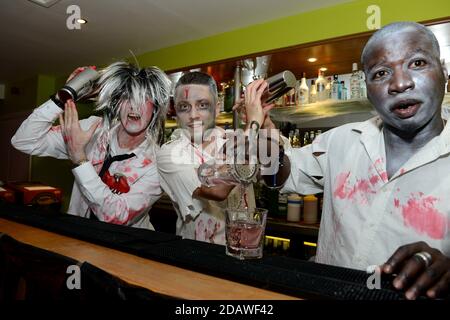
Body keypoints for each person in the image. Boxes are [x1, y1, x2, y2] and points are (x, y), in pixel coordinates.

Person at [243, 22, 449, 299]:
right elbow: (277, 175)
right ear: (367, 87)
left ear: (444, 70)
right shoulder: (340, 141)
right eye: (381, 73)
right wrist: (264, 125)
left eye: (418, 63)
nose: (400, 83)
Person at [11, 62, 171, 230]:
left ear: (155, 109)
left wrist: (79, 159)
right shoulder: (92, 129)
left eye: (145, 98)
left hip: (126, 249)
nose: (134, 105)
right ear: (117, 103)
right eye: (127, 97)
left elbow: (117, 216)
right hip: (78, 238)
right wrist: (61, 98)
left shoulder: (158, 162)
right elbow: (24, 140)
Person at [156, 71, 250, 244]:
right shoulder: (170, 153)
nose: (193, 115)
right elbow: (217, 191)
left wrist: (262, 120)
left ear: (217, 108)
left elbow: (277, 170)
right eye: (184, 107)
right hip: (199, 256)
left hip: (248, 252)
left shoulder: (235, 140)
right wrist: (253, 126)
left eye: (202, 105)